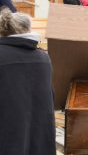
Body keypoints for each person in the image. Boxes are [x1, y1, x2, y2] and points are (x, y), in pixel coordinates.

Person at [0, 8, 56, 154]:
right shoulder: (43, 58)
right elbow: (51, 96)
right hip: (38, 136)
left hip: (8, 137)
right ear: (26, 30)